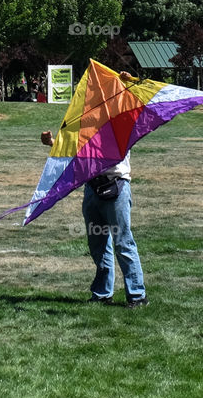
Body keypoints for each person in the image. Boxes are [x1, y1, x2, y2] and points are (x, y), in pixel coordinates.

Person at [40, 71, 147, 308]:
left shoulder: (121, 119)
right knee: (98, 244)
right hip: (92, 188)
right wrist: (52, 142)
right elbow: (75, 149)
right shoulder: (87, 121)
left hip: (116, 187)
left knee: (123, 242)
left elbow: (137, 103)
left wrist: (131, 83)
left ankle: (137, 295)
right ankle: (102, 293)